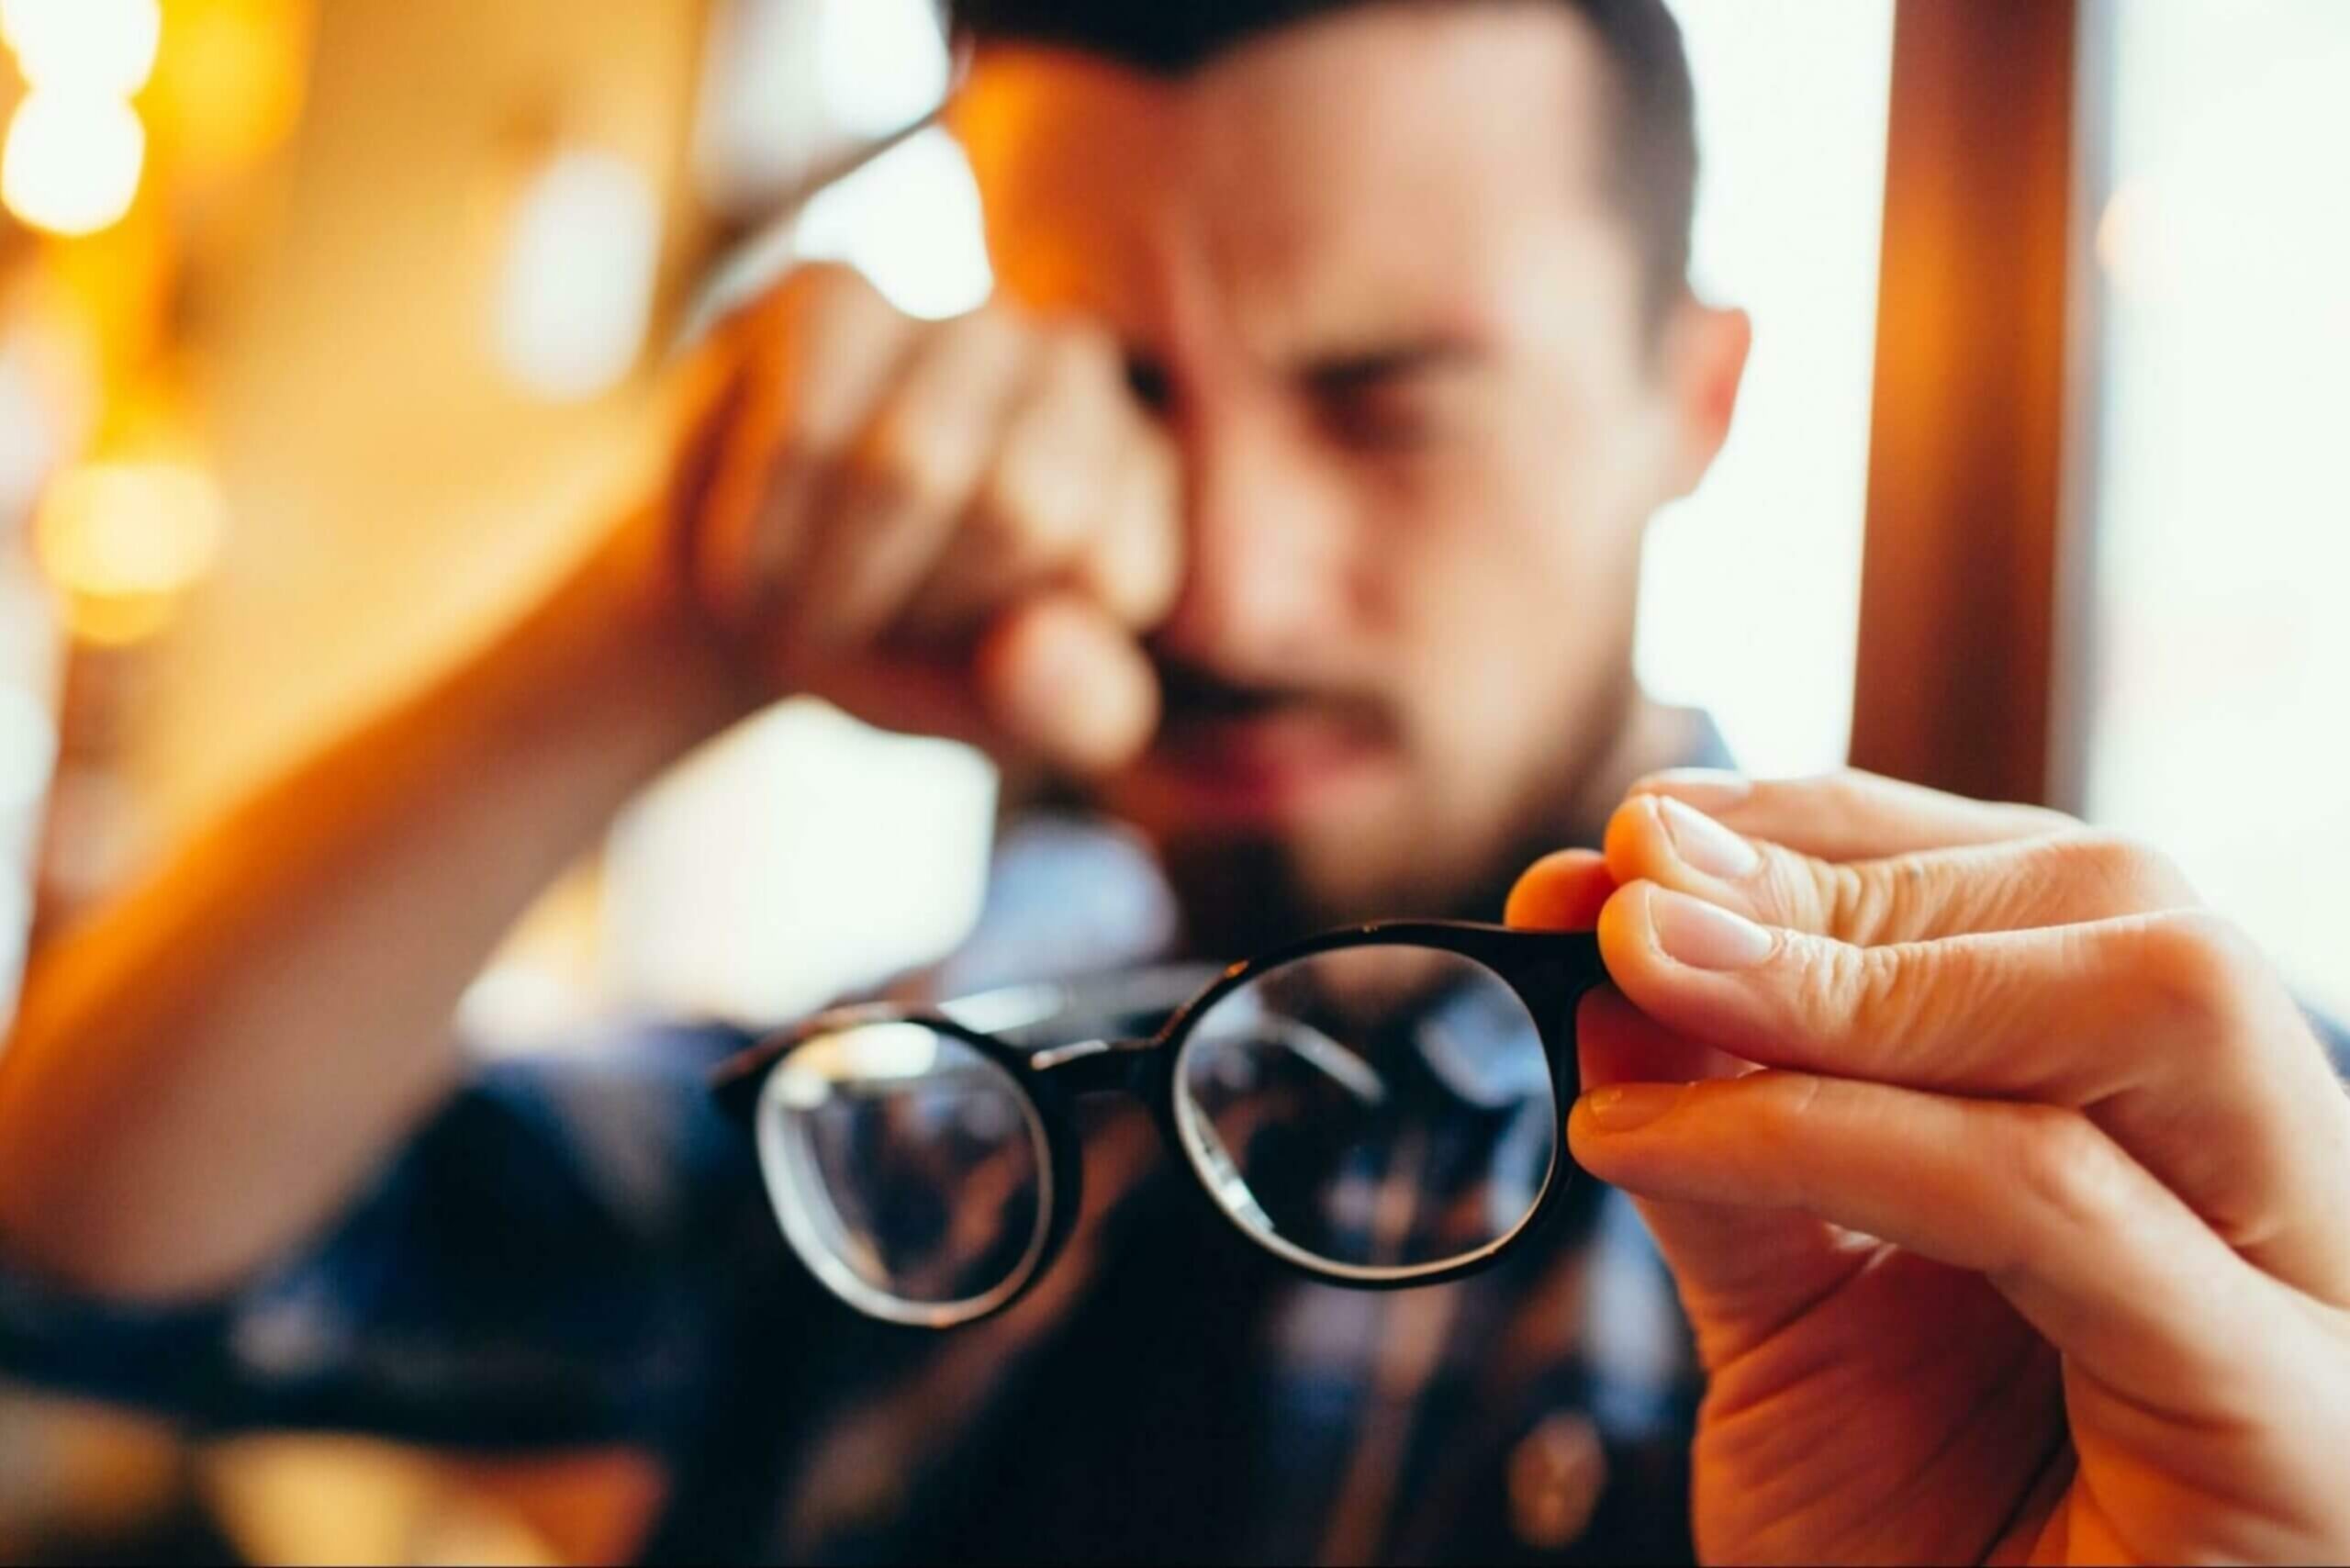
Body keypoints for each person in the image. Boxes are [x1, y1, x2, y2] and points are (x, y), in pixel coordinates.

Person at [2, 1, 2345, 1562]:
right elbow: (84, 1256)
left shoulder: (2126, 1223)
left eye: (1382, 396)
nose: (1218, 578)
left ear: (1689, 401)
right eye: (1110, 388)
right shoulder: (914, 1120)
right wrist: (658, 611)